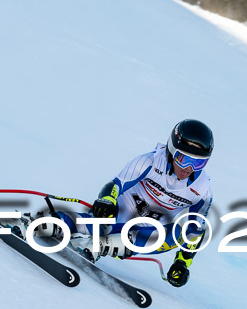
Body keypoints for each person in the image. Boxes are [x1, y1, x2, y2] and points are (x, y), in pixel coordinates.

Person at [56, 119, 214, 288]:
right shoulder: (150, 161)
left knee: (187, 230)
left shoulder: (203, 189)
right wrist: (106, 200)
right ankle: (48, 223)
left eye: (198, 163)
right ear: (172, 150)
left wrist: (182, 263)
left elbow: (196, 230)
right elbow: (117, 185)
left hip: (147, 234)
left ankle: (95, 247)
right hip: (120, 216)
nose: (188, 168)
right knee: (97, 223)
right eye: (183, 159)